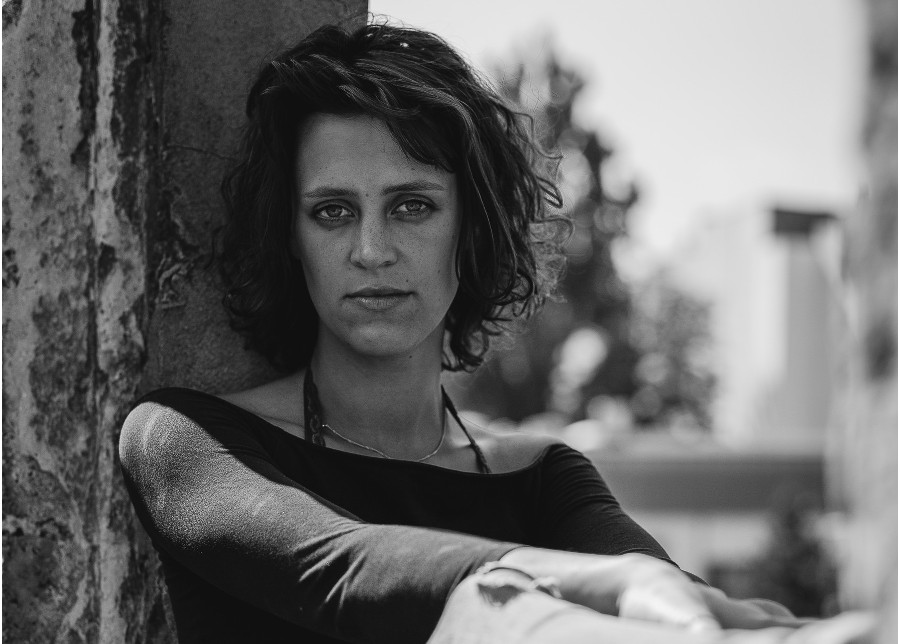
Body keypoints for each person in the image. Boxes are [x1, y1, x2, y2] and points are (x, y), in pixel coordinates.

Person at [119, 20, 801, 644]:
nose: (371, 249)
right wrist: (608, 584)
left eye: (412, 206)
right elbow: (346, 570)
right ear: (290, 238)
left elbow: (673, 607)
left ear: (470, 229)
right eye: (332, 212)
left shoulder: (540, 479)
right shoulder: (184, 441)